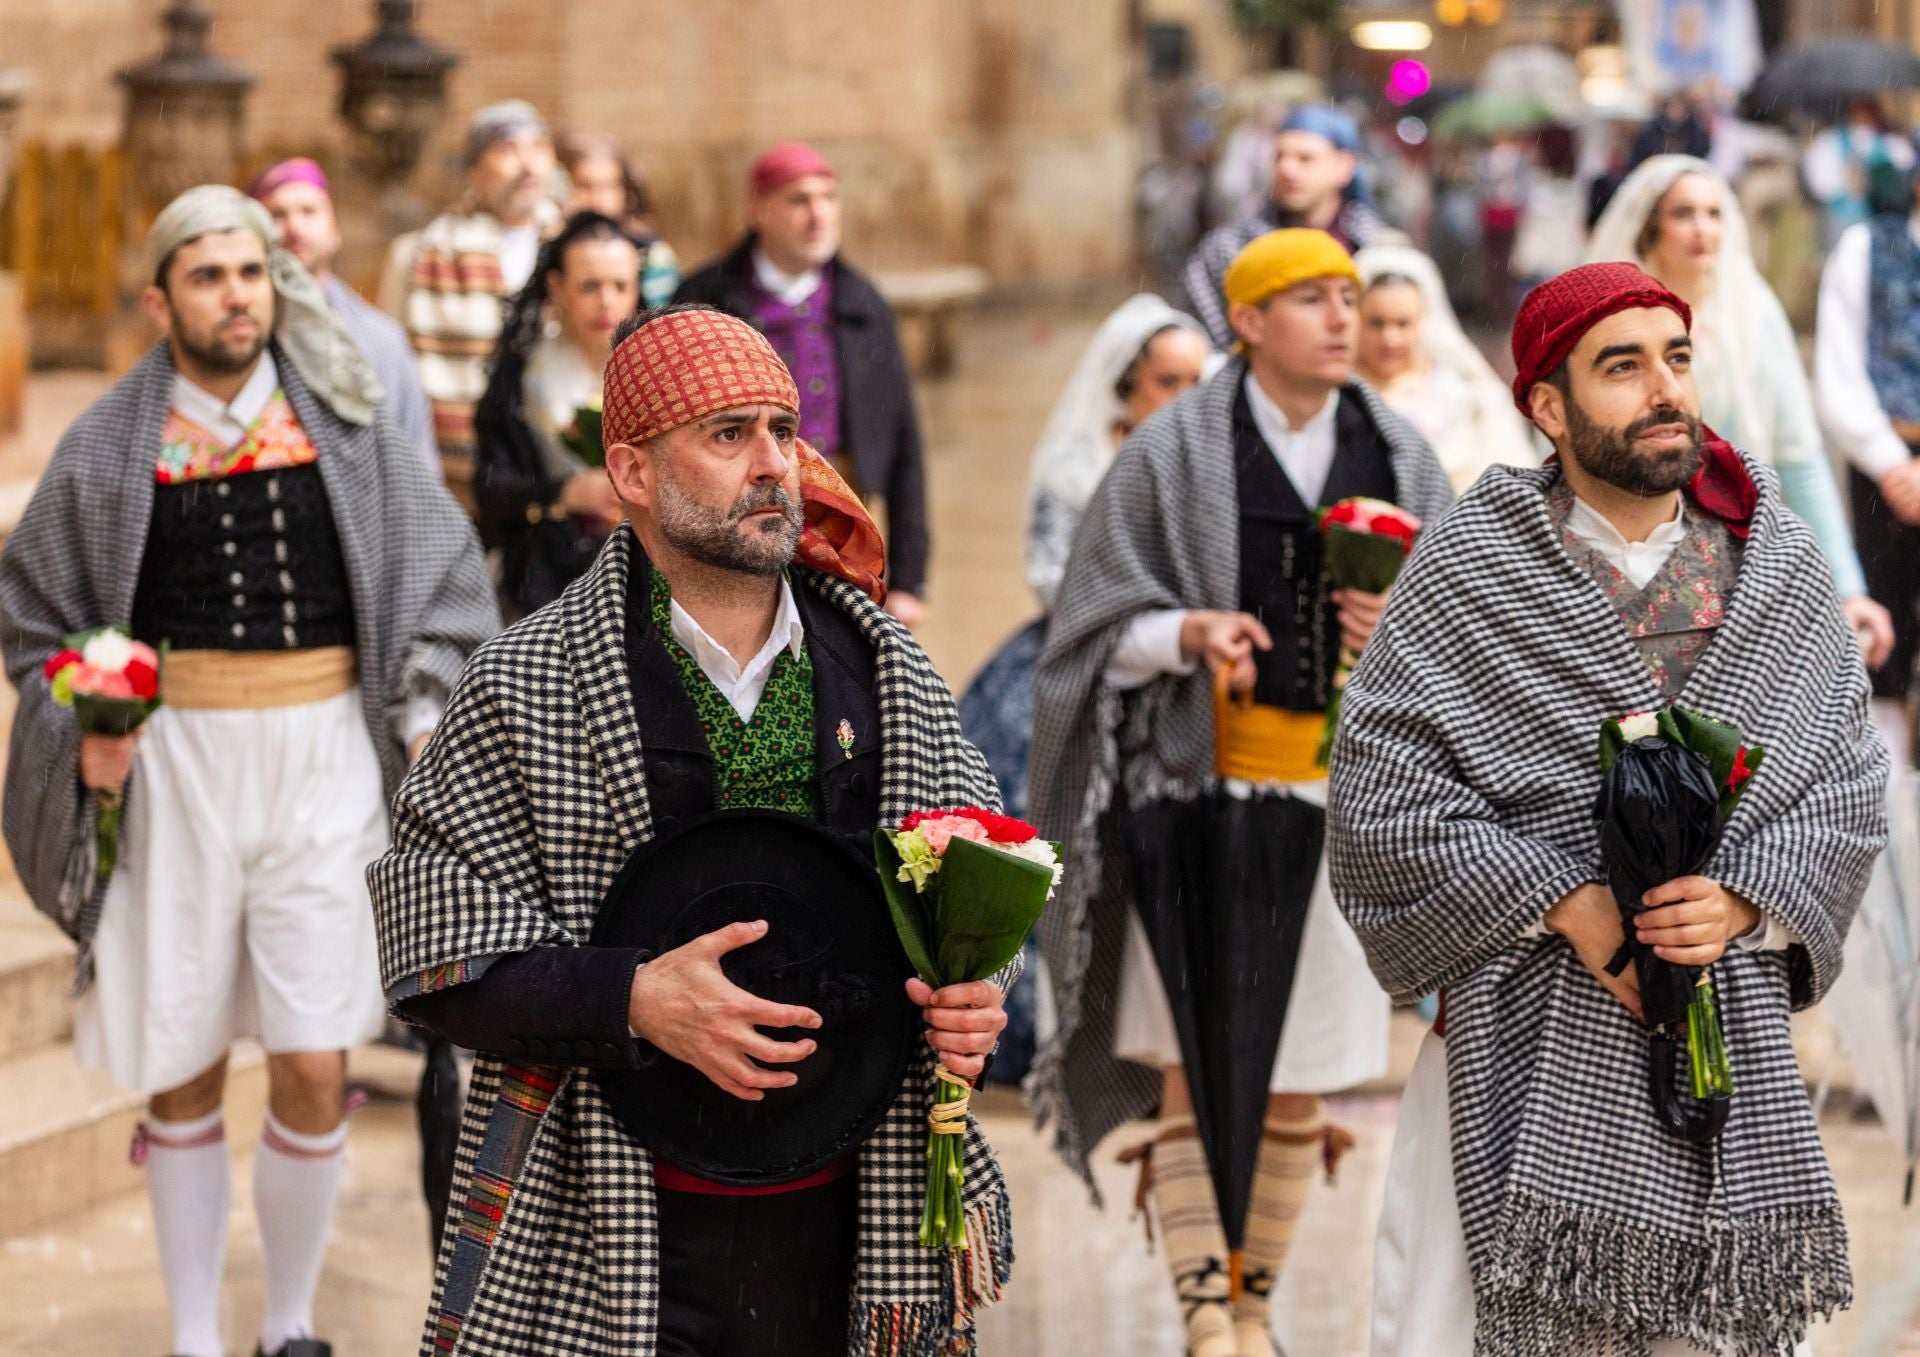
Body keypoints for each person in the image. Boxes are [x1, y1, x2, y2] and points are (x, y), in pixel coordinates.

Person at [368, 303, 1017, 1355]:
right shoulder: (522, 685)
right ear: (630, 472)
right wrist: (632, 998)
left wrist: (975, 1002)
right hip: (618, 1230)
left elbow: (980, 908)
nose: (774, 464)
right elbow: (432, 955)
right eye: (728, 434)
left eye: (782, 429)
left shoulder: (888, 674)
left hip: (862, 1221)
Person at [1332, 261, 1881, 1356]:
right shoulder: (1468, 567)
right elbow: (1378, 804)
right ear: (1547, 403)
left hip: (1732, 1033)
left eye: (1675, 358)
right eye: (1620, 367)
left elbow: (1848, 785)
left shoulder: (1776, 565)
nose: (1664, 390)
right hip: (1516, 1038)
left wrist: (1739, 902)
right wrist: (1564, 902)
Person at [0, 186, 497, 1357]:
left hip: (324, 764)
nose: (237, 296)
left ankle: (286, 1325)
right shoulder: (106, 449)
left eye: (252, 273)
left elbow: (447, 589)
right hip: (175, 773)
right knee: (178, 1060)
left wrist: (423, 705)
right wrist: (86, 724)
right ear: (159, 296)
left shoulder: (354, 428)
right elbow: (29, 622)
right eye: (210, 276)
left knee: (318, 1055)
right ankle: (191, 1337)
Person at [1029, 230, 1452, 1357]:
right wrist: (1185, 630)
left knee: (1304, 1068)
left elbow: (1465, 632)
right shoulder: (1168, 453)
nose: (1339, 317)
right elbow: (1082, 632)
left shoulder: (1404, 454)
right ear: (1250, 322)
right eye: (1309, 298)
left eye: (1349, 297)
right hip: (1197, 803)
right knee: (1191, 1057)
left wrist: (1396, 621)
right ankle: (1203, 1308)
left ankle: (1254, 1304)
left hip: (1347, 809)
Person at [1585, 154, 1897, 669]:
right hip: (1627, 552)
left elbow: (1798, 457)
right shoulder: (1612, 322)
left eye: (1715, 213)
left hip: (1741, 555)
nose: (1703, 229)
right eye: (1683, 213)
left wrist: (1848, 587)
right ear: (1648, 226)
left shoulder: (1753, 314)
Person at [675, 143, 932, 625]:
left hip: (839, 517)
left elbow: (903, 442)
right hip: (734, 512)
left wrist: (909, 579)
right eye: (798, 200)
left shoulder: (864, 303)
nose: (819, 216)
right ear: (757, 210)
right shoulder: (704, 298)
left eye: (828, 198)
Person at [473, 211, 638, 619]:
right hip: (548, 582)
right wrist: (564, 493)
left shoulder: (661, 372)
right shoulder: (522, 377)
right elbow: (490, 487)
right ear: (556, 286)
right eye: (589, 286)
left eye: (620, 285)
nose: (606, 301)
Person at [399, 100, 562, 500]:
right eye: (507, 150)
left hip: (557, 460)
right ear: (474, 170)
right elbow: (400, 363)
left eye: (538, 148)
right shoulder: (428, 251)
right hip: (466, 471)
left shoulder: (570, 243)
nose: (528, 165)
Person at [1817, 155, 1920, 744]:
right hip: (1885, 470)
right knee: (1883, 634)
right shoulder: (1864, 248)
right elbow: (1840, 366)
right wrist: (1892, 463)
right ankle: (1890, 798)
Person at [247, 157, 438, 473]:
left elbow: (416, 457)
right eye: (277, 214)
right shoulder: (239, 339)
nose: (294, 227)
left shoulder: (383, 339)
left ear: (334, 230)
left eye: (308, 211)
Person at [1182, 105, 1393, 350]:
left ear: (1343, 166)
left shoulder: (1379, 251)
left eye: (1305, 158)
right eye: (1279, 157)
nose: (1287, 169)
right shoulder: (1228, 250)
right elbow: (1200, 347)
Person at [1353, 245, 1537, 493]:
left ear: (1423, 322)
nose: (1390, 340)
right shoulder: (1342, 390)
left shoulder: (1465, 390)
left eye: (1403, 324)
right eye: (1377, 323)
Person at [555, 130, 680, 308]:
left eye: (609, 186)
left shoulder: (652, 255)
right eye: (584, 186)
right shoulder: (547, 249)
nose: (597, 199)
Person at [1804, 99, 1916, 248]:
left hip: (1880, 219)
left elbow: (1907, 165)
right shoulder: (1831, 141)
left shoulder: (1887, 142)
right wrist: (1846, 181)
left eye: (1869, 111)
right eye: (1860, 112)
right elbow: (1820, 184)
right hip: (1840, 219)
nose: (1864, 118)